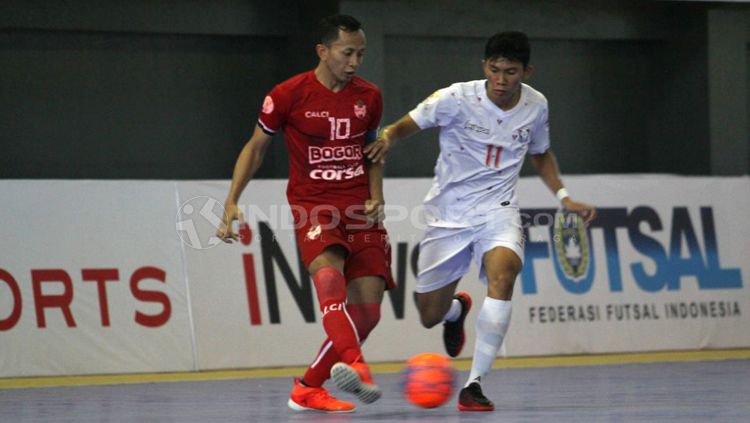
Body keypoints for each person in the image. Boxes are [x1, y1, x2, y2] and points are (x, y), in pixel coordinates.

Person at [365, 31, 596, 411]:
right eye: (495, 69)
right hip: (448, 214)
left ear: (527, 71)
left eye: (511, 71)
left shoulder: (536, 106)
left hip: (498, 210)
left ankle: (474, 385)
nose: (502, 79)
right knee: (429, 315)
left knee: (504, 275)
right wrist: (389, 136)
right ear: (484, 66)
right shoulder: (455, 98)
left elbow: (541, 153)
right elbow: (406, 125)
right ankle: (456, 310)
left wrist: (564, 197)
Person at [217, 14, 394, 414]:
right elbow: (255, 148)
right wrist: (231, 201)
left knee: (366, 314)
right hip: (314, 205)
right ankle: (357, 365)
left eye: (360, 54)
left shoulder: (369, 96)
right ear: (323, 51)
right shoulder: (287, 94)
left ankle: (307, 388)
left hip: (360, 210)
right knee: (329, 280)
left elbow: (374, 152)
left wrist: (377, 194)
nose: (354, 62)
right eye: (347, 53)